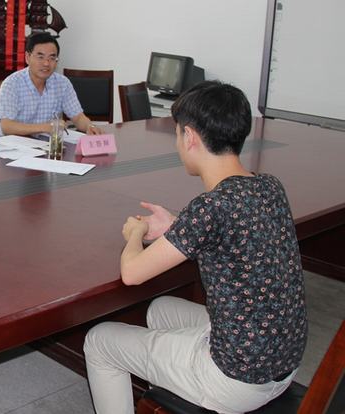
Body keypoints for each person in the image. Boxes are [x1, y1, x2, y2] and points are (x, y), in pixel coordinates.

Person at [83, 81, 307, 414]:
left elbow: (131, 273)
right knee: (160, 309)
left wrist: (135, 233)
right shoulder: (269, 185)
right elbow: (236, 233)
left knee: (99, 340)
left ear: (189, 137)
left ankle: (187, 381)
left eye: (177, 134)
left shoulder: (210, 207)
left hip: (235, 380)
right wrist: (177, 225)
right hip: (282, 363)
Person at [0, 32, 102, 137]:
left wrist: (90, 126)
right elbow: (7, 126)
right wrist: (45, 127)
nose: (46, 63)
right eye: (40, 57)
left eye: (52, 58)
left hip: (46, 144)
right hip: (13, 145)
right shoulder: (11, 84)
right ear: (27, 57)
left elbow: (78, 117)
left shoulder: (62, 83)